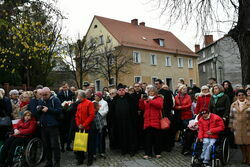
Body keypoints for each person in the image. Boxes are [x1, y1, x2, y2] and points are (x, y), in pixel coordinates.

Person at [109, 84, 137, 156]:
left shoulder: (130, 98)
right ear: (117, 91)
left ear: (125, 90)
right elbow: (111, 111)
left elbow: (134, 110)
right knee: (121, 136)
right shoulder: (115, 99)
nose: (121, 91)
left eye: (122, 90)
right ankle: (123, 149)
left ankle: (131, 150)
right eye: (119, 90)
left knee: (130, 136)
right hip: (119, 122)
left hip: (129, 121)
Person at [37, 87, 62, 167]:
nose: (44, 96)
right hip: (43, 126)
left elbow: (59, 110)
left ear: (50, 93)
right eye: (42, 95)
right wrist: (38, 109)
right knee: (46, 145)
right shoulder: (41, 100)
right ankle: (49, 161)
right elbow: (38, 113)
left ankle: (57, 162)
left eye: (45, 95)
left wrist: (49, 109)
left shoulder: (55, 100)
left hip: (53, 126)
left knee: (55, 145)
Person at [139, 87, 163, 159]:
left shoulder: (159, 98)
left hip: (155, 120)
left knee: (157, 138)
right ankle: (148, 153)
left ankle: (157, 153)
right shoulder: (146, 98)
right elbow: (142, 108)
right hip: (147, 120)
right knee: (147, 139)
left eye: (152, 91)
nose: (151, 92)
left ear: (155, 92)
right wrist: (141, 101)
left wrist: (150, 101)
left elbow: (160, 106)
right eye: (149, 91)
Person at [229, 89, 250, 165]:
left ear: (245, 95)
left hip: (247, 126)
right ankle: (244, 157)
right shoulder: (233, 104)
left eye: (242, 95)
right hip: (237, 127)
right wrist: (231, 125)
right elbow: (231, 116)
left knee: (248, 143)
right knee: (240, 143)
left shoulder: (249, 104)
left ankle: (249, 158)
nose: (241, 96)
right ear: (237, 96)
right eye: (239, 95)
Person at [75, 90, 95, 166]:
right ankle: (80, 159)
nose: (77, 98)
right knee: (80, 144)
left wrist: (84, 124)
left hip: (88, 127)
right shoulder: (79, 104)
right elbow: (76, 116)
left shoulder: (89, 103)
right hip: (80, 127)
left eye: (78, 96)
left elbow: (91, 115)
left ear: (82, 97)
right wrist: (78, 124)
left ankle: (90, 160)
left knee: (90, 145)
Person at [155, 79, 174, 152]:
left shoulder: (167, 92)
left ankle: (168, 146)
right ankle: (161, 145)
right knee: (160, 131)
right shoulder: (155, 93)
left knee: (167, 129)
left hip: (165, 113)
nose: (156, 85)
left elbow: (170, 103)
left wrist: (167, 112)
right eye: (155, 84)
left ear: (161, 84)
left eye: (157, 84)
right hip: (158, 114)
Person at [174, 84, 193, 154]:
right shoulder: (176, 97)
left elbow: (189, 105)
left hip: (187, 115)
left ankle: (186, 145)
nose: (185, 90)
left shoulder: (188, 97)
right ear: (180, 90)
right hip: (179, 116)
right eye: (183, 89)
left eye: (186, 89)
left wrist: (180, 107)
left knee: (187, 130)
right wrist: (179, 107)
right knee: (181, 130)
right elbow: (175, 106)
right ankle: (183, 142)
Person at [57, 82, 75, 152]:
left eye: (66, 87)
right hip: (63, 115)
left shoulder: (72, 93)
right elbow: (59, 104)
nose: (65, 88)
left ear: (68, 87)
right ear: (62, 87)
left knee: (69, 132)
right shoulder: (59, 94)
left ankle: (68, 146)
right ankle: (62, 147)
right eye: (63, 87)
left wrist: (70, 104)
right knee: (62, 132)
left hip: (70, 115)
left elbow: (73, 102)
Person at [93, 92, 109, 158]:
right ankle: (95, 151)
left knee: (102, 138)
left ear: (100, 97)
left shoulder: (104, 103)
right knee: (95, 138)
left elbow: (105, 111)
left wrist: (97, 113)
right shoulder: (92, 102)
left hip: (102, 122)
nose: (95, 97)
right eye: (94, 96)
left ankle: (102, 151)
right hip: (94, 123)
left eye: (96, 96)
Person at [131, 83, 145, 150]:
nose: (136, 88)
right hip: (134, 115)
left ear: (140, 87)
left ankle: (142, 144)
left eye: (138, 86)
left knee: (142, 130)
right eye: (135, 86)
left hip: (143, 115)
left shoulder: (143, 94)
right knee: (135, 130)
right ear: (133, 87)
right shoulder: (131, 95)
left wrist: (140, 110)